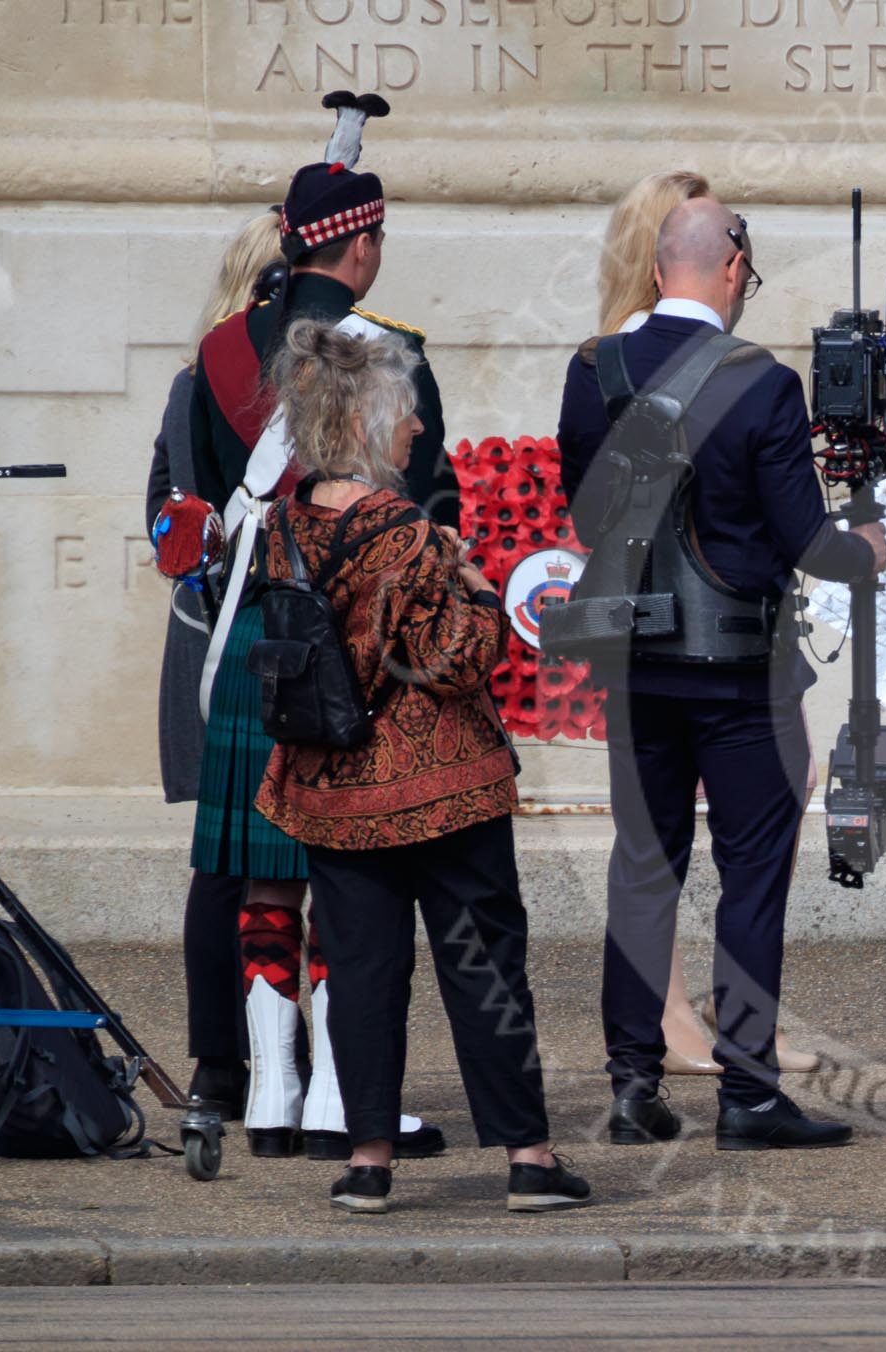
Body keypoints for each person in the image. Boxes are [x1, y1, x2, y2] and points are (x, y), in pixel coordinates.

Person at [557, 197, 886, 1150]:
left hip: (636, 664)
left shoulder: (594, 371)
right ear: (733, 268)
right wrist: (866, 543)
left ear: (662, 271)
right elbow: (808, 545)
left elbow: (587, 522)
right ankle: (747, 1090)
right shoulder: (762, 382)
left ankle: (631, 1084)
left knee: (643, 870)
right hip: (741, 672)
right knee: (751, 879)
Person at [255, 319, 589, 1215]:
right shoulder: (408, 531)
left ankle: (368, 1161)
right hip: (440, 785)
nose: (416, 433)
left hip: (331, 786)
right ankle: (529, 1156)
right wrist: (481, 600)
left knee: (361, 972)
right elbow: (450, 662)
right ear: (370, 421)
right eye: (405, 417)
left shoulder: (284, 525)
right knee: (482, 966)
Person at [187, 158, 445, 1159]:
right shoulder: (395, 351)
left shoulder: (219, 349)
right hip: (355, 625)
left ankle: (274, 1094)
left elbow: (211, 500)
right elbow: (427, 500)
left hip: (257, 625)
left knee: (264, 873)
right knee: (352, 870)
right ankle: (343, 1094)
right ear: (363, 241)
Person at [144, 208, 283, 1118]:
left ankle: (254, 1056)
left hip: (228, 631)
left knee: (242, 859)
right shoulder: (206, 381)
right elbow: (163, 513)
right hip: (230, 632)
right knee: (231, 860)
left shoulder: (212, 375)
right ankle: (225, 1060)